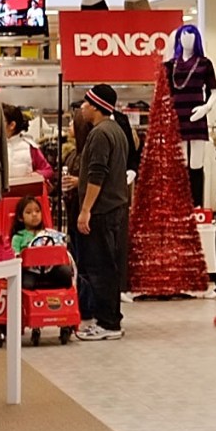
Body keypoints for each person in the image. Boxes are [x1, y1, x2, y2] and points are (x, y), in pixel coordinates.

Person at [66, 84, 134, 341]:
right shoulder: (117, 131)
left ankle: (107, 323)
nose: (82, 108)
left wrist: (85, 211)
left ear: (95, 106)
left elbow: (97, 174)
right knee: (111, 268)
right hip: (116, 208)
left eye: (85, 103)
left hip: (102, 211)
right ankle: (112, 320)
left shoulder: (99, 134)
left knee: (100, 268)